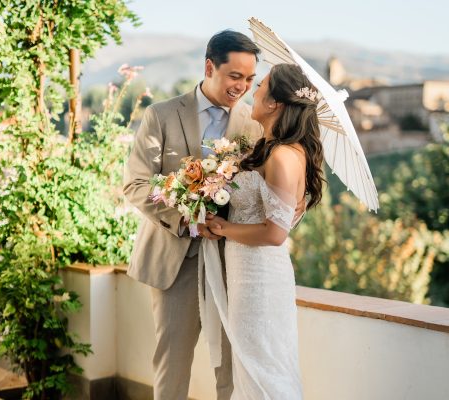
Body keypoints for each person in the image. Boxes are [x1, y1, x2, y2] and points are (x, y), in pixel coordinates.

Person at [123, 30, 262, 400]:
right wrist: (185, 218)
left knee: (231, 366)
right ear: (209, 67)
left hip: (232, 261)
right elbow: (136, 184)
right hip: (174, 259)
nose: (242, 87)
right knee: (172, 362)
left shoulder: (254, 125)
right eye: (235, 76)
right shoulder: (162, 115)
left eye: (250, 79)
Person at [205, 63, 325, 399]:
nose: (253, 91)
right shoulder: (271, 148)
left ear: (274, 103)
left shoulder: (284, 156)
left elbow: (275, 233)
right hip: (247, 273)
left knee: (264, 370)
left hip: (260, 281)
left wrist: (224, 227)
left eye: (261, 85)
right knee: (254, 366)